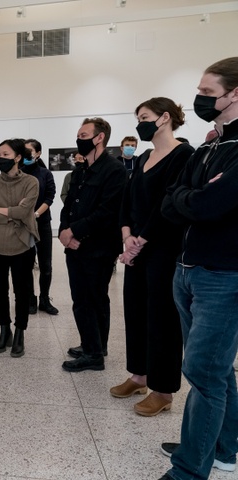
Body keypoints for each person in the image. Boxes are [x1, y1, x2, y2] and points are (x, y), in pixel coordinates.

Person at [158, 57, 238, 480]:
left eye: (208, 93)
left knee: (203, 372)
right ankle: (223, 447)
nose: (200, 100)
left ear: (234, 94)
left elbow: (211, 204)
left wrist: (191, 200)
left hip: (223, 274)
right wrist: (192, 199)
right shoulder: (208, 146)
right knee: (216, 369)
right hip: (186, 269)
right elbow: (172, 199)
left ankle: (189, 470)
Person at [110, 98, 194, 417]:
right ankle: (139, 375)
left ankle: (163, 389)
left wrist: (140, 240)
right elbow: (128, 200)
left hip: (163, 247)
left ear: (164, 118)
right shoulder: (144, 155)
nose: (139, 123)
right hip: (136, 246)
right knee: (135, 308)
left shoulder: (184, 155)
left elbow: (168, 204)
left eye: (144, 117)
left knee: (163, 318)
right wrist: (126, 236)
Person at [60, 118, 127, 372]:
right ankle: (95, 344)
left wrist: (74, 231)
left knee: (93, 298)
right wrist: (64, 232)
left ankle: (93, 354)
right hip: (75, 245)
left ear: (99, 138)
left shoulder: (114, 170)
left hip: (98, 247)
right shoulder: (81, 169)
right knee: (83, 299)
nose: (79, 138)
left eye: (84, 134)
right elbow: (69, 204)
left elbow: (108, 211)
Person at [0, 139, 39, 357]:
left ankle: (20, 332)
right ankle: (4, 331)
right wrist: (12, 212)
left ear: (18, 157)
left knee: (21, 292)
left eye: (5, 154)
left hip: (22, 245)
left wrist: (0, 211)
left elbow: (25, 213)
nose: (1, 158)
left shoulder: (31, 182)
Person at [23, 139, 59, 315]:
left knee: (46, 265)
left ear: (38, 153)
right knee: (26, 264)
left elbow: (49, 197)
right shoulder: (17, 172)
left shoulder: (45, 173)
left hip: (42, 223)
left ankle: (44, 299)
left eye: (30, 151)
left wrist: (36, 214)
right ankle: (30, 299)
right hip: (23, 225)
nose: (26, 154)